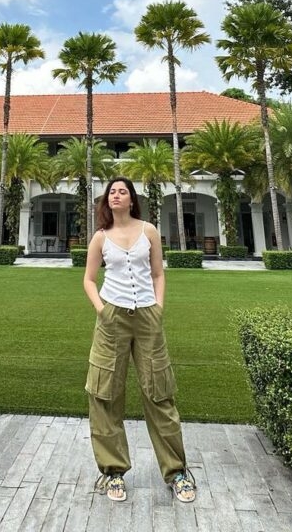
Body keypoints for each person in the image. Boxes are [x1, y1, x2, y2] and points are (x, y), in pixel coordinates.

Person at [83, 175, 196, 504]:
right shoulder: (101, 237)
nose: (116, 195)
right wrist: (102, 311)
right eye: (112, 192)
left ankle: (176, 471)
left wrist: (158, 308)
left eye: (122, 191)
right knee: (105, 393)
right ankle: (113, 472)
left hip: (147, 317)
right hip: (112, 318)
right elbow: (89, 280)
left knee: (159, 392)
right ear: (107, 201)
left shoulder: (148, 231)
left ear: (132, 199)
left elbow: (159, 273)